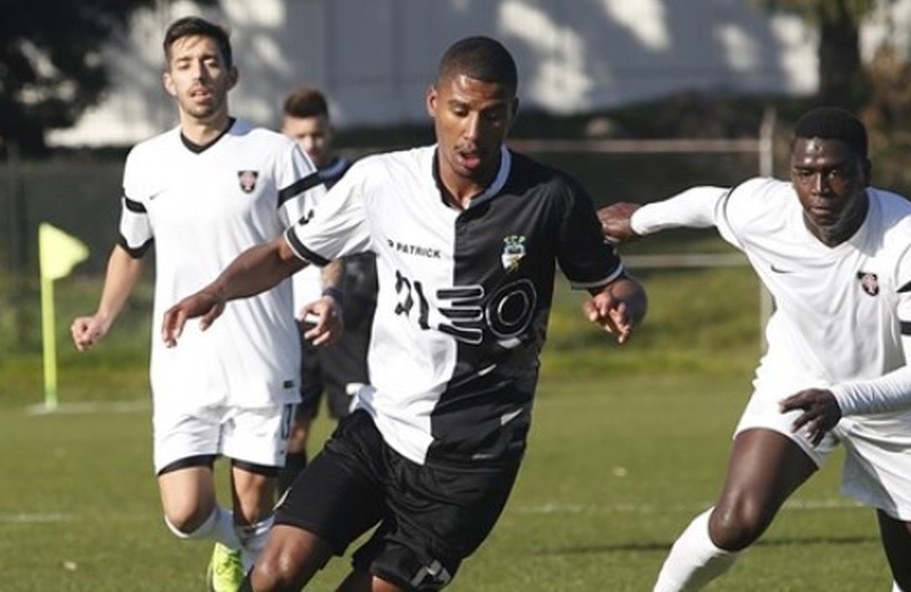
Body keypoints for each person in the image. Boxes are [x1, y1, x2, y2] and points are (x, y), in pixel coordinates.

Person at [160, 35, 649, 591]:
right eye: (460, 111)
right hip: (378, 432)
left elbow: (619, 283)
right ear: (433, 103)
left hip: (470, 464)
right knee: (273, 570)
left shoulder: (550, 198)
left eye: (491, 116)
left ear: (511, 112)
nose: (472, 132)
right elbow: (282, 253)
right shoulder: (380, 182)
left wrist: (621, 302)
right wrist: (219, 289)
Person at [599, 106, 911, 592]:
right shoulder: (765, 210)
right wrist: (641, 220)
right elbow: (708, 203)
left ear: (865, 174)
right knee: (735, 522)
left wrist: (844, 401)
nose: (819, 189)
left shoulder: (910, 239)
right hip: (800, 380)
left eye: (836, 173)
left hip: (899, 412)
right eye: (804, 174)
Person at [70, 16, 340, 592]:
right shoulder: (145, 162)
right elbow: (129, 248)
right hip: (181, 363)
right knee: (185, 512)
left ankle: (252, 567)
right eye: (186, 65)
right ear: (168, 81)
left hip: (261, 361)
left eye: (211, 62)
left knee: (253, 502)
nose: (200, 75)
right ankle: (232, 546)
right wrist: (103, 315)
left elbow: (323, 239)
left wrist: (327, 295)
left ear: (232, 75)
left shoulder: (274, 154)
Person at [279, 86, 378, 494]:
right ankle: (290, 514)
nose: (310, 144)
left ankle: (350, 507)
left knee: (355, 426)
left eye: (316, 135)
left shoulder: (355, 180)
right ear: (284, 134)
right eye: (299, 137)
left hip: (348, 320)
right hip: (294, 324)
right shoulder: (277, 183)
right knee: (293, 431)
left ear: (329, 132)